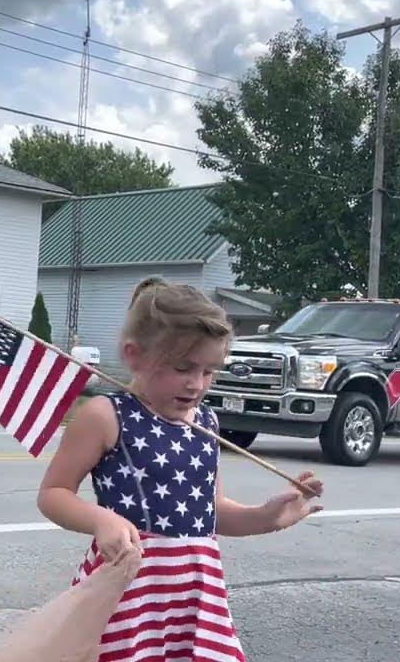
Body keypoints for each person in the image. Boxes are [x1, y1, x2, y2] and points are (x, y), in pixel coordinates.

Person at [36, 277, 324, 661]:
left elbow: (211, 512)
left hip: (195, 596)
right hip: (129, 594)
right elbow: (53, 494)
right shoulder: (107, 416)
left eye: (209, 371)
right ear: (134, 354)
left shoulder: (205, 421)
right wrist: (101, 520)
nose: (196, 384)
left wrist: (264, 517)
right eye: (183, 367)